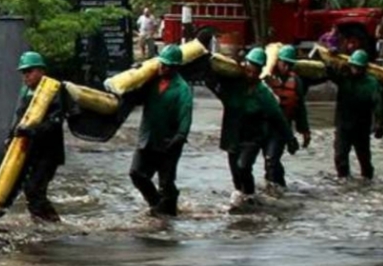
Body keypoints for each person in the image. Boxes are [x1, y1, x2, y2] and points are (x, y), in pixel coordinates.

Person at [207, 47, 297, 208]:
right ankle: (243, 200)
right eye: (248, 71)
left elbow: (278, 117)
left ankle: (249, 197)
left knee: (243, 166)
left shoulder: (262, 92)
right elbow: (212, 82)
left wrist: (290, 139)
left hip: (252, 137)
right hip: (232, 134)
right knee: (236, 173)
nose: (251, 75)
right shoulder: (232, 85)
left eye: (255, 72)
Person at [130, 45, 193, 217]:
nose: (162, 68)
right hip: (147, 137)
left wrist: (180, 136)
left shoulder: (182, 89)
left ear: (175, 67)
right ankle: (156, 203)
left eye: (167, 65)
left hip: (169, 142)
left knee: (166, 181)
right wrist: (135, 76)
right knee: (136, 173)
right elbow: (135, 98)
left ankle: (169, 209)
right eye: (161, 64)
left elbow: (186, 115)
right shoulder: (152, 81)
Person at [12, 51, 67, 222]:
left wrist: (31, 132)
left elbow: (55, 122)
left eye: (30, 71)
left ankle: (52, 224)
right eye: (23, 72)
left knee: (34, 189)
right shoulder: (26, 92)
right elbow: (20, 118)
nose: (26, 75)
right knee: (31, 190)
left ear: (42, 71)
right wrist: (11, 136)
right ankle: (42, 222)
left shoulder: (55, 91)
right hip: (31, 151)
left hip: (49, 152)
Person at [327, 49, 383, 181]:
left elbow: (378, 104)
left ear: (365, 68)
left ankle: (367, 181)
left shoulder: (372, 83)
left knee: (364, 160)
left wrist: (379, 124)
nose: (356, 70)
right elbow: (329, 73)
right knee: (340, 158)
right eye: (354, 67)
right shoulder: (343, 78)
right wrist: (331, 58)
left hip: (362, 128)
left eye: (359, 68)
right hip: (343, 126)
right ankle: (344, 181)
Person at [261, 45, 312, 194]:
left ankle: (275, 189)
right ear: (278, 61)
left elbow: (300, 108)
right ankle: (277, 184)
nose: (286, 67)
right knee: (268, 160)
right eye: (284, 63)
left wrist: (304, 130)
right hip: (263, 126)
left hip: (281, 128)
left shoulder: (296, 81)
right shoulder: (266, 78)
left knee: (271, 159)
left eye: (290, 64)